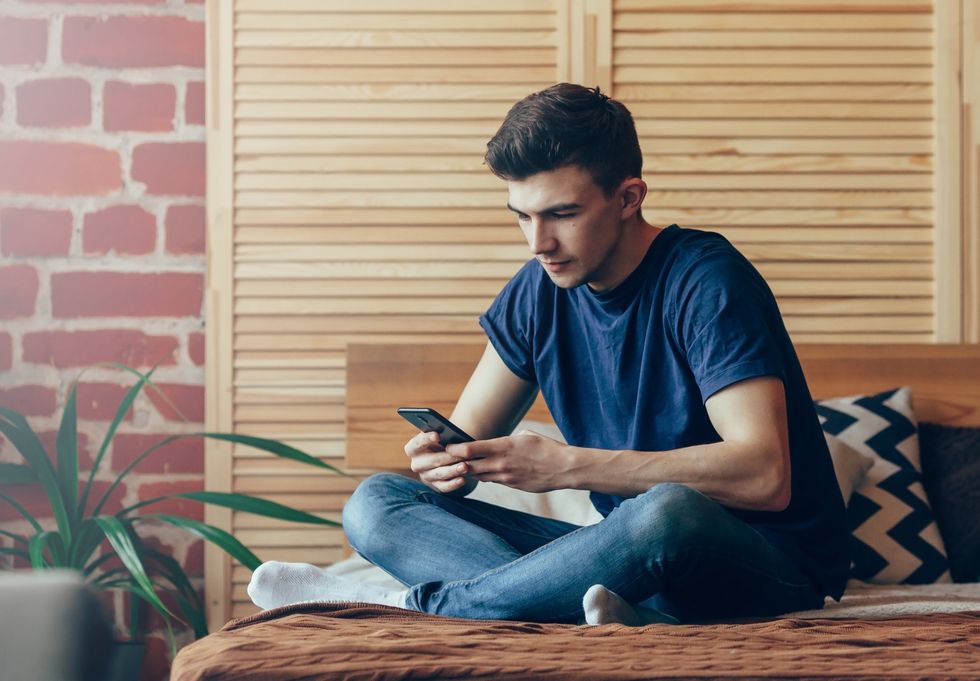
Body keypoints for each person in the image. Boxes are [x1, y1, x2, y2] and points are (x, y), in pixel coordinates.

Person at [248, 83, 850, 625]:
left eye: (562, 214)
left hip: (761, 563)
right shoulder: (540, 287)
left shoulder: (707, 279)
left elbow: (765, 476)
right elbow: (468, 440)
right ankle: (591, 607)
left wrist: (566, 466)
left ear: (629, 197)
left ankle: (410, 607)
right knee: (378, 501)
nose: (539, 243)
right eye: (523, 217)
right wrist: (445, 464)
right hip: (617, 559)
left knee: (667, 512)